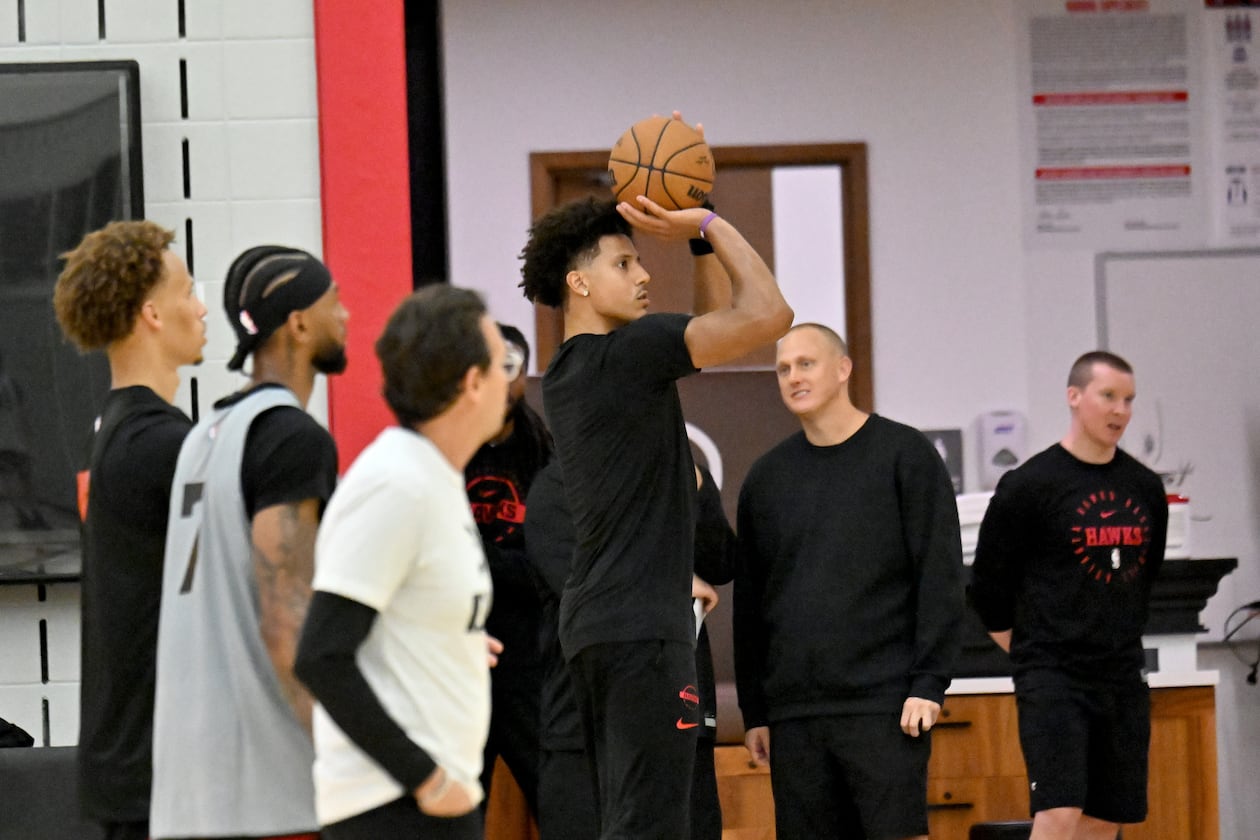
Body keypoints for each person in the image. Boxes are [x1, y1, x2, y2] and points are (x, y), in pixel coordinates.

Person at [518, 113, 792, 837]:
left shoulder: (587, 370)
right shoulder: (626, 356)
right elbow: (767, 313)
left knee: (632, 819)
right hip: (643, 626)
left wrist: (699, 236)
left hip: (601, 625)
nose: (644, 276)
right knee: (652, 826)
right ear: (578, 281)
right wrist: (705, 216)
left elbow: (712, 326)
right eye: (624, 264)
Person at [733, 323, 964, 840]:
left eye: (806, 363)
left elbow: (940, 577)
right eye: (784, 368)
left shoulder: (906, 456)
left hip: (884, 705)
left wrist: (929, 682)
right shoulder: (766, 478)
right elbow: (751, 604)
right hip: (796, 715)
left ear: (843, 369)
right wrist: (755, 711)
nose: (793, 376)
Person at [149, 245, 348, 840]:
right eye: (334, 302)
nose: (347, 316)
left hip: (187, 785)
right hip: (265, 785)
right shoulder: (292, 439)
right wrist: (351, 750)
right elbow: (288, 627)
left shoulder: (202, 435)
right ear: (299, 322)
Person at [294, 285, 505, 839]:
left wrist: (447, 640)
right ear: (472, 383)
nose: (512, 377)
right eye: (501, 363)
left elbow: (389, 620)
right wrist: (427, 781)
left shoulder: (432, 477)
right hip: (394, 808)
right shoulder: (396, 484)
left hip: (428, 804)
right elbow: (321, 656)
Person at [969, 350, 1168, 840]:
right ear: (1074, 397)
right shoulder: (1029, 486)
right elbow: (988, 589)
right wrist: (1037, 655)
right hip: (1054, 677)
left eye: (1128, 400)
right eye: (1108, 396)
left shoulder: (1143, 487)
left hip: (1120, 674)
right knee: (1059, 814)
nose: (1120, 410)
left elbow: (1146, 578)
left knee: (1106, 819)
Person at [52, 220, 207, 840]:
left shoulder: (119, 429)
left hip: (139, 764)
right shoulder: (161, 446)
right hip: (158, 771)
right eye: (187, 292)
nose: (200, 308)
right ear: (151, 314)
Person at [523, 457, 731, 840]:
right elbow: (582, 587)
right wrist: (670, 582)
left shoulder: (680, 470)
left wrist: (696, 487)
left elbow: (721, 562)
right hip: (585, 734)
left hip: (682, 715)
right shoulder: (556, 484)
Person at [463, 322, 552, 815]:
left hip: (529, 664)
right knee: (455, 816)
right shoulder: (445, 450)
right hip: (459, 658)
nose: (500, 378)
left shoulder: (546, 453)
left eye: (510, 365)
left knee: (559, 806)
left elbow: (552, 565)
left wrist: (482, 559)